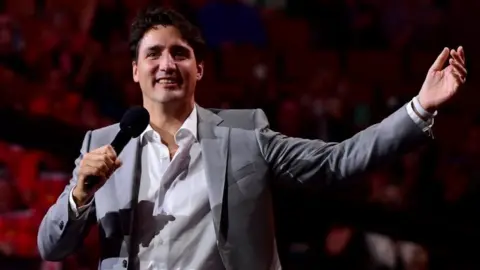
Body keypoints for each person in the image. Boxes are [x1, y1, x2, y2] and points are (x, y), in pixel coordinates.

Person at [37, 6, 467, 270]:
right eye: (153, 53)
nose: (167, 64)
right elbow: (51, 246)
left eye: (180, 53)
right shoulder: (105, 143)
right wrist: (79, 196)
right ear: (135, 70)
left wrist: (420, 106)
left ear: (199, 69)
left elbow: (337, 161)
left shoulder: (245, 135)